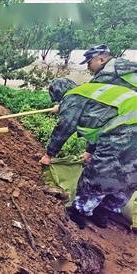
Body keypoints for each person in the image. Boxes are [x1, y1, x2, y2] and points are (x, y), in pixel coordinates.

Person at [40, 78, 137, 229]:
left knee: (97, 172)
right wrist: (89, 151)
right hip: (129, 122)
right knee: (130, 177)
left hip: (128, 127)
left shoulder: (73, 96)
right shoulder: (89, 92)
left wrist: (49, 154)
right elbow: (100, 123)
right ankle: (103, 212)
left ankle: (78, 212)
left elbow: (65, 126)